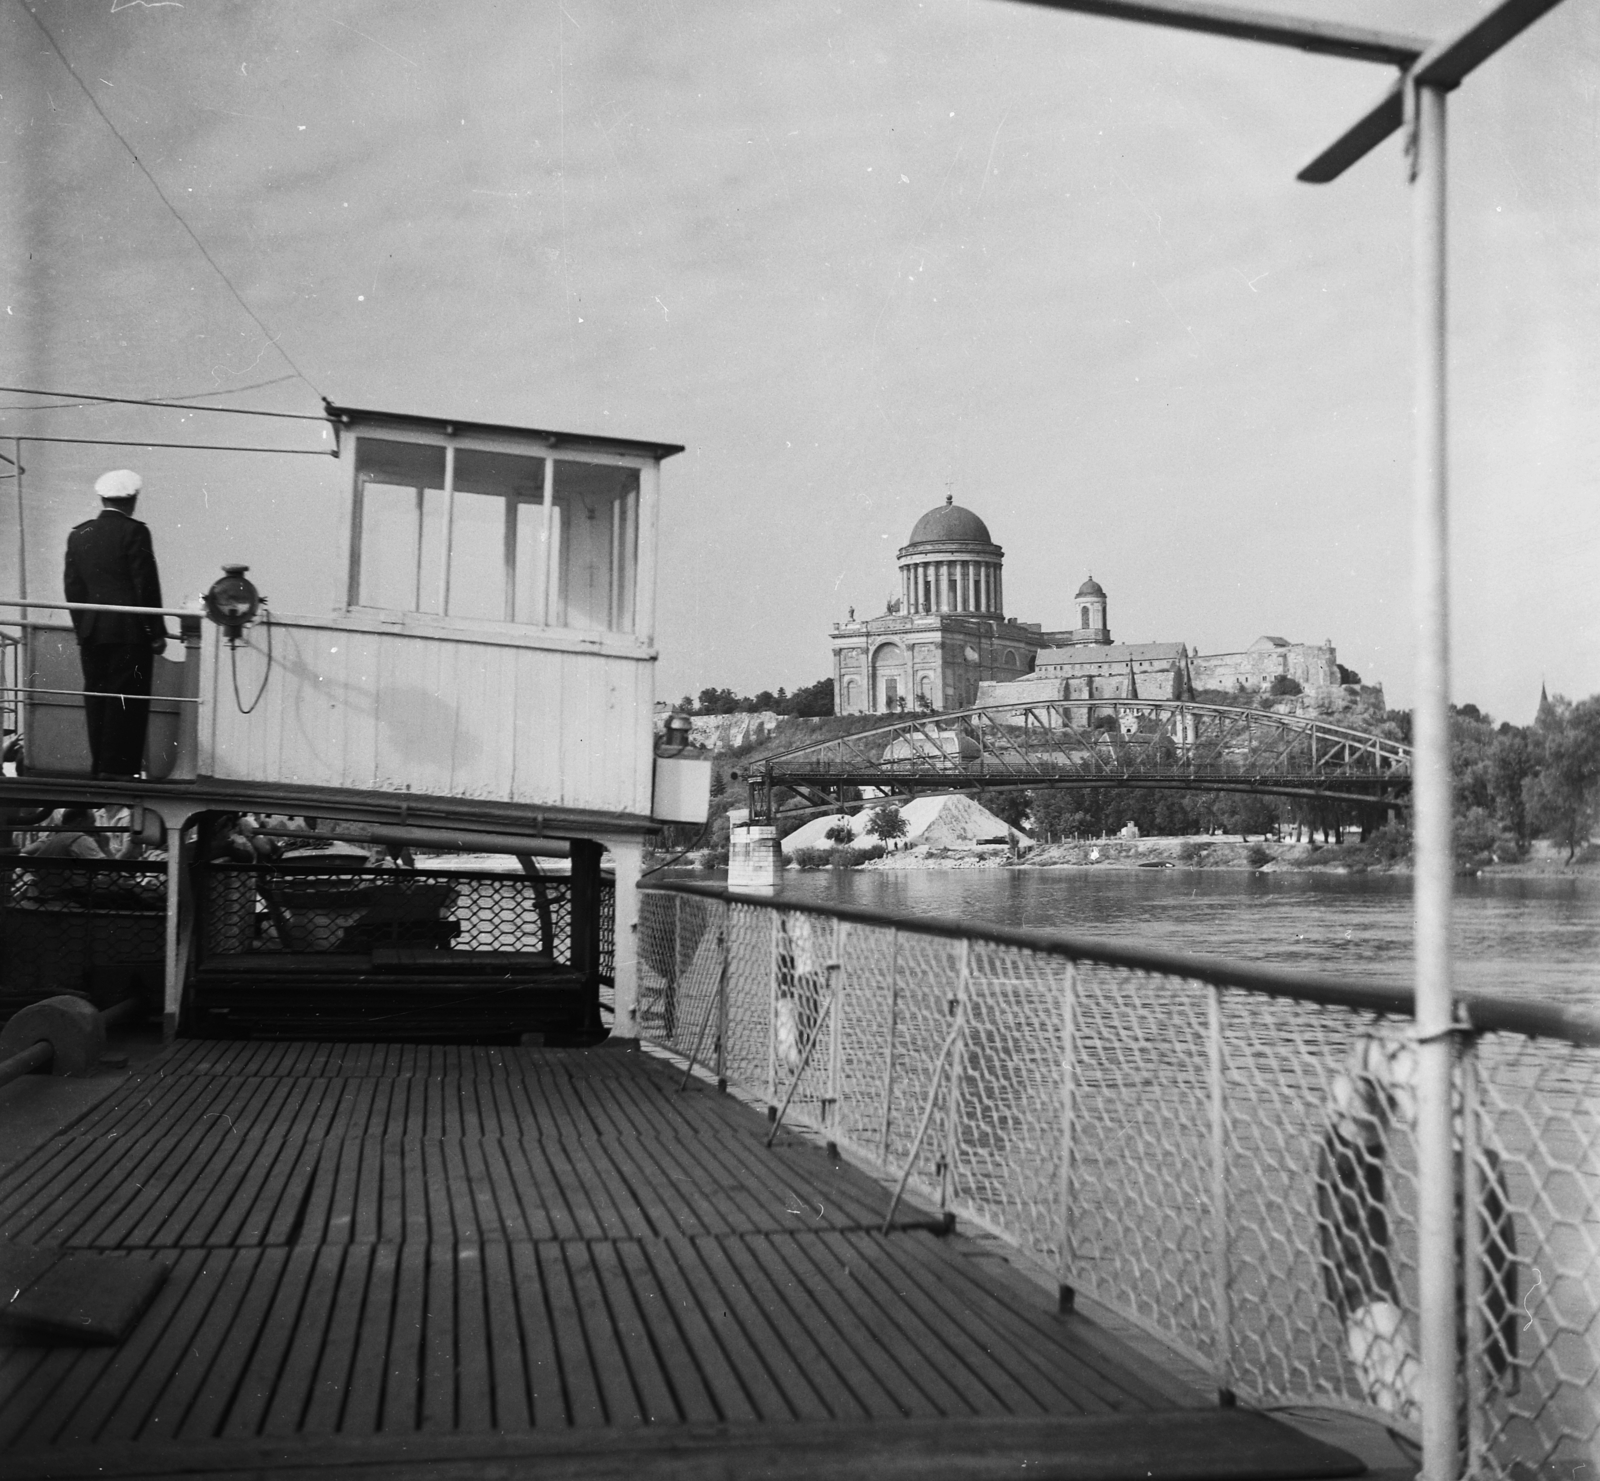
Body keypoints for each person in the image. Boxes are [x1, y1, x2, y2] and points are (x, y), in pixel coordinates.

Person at [63, 469, 168, 778]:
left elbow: (73, 588)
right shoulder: (135, 532)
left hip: (92, 633)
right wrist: (156, 632)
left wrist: (83, 627)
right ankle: (119, 771)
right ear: (132, 501)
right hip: (130, 633)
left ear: (102, 498)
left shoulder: (78, 533)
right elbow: (145, 585)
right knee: (126, 702)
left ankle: (100, 768)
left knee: (97, 697)